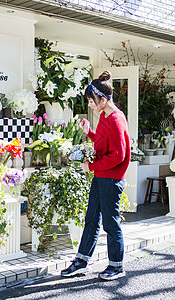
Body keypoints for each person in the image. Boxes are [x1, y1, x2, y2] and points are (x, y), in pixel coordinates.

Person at [61, 70, 131, 281]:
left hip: (111, 179)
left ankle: (117, 266)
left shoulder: (116, 119)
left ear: (102, 99)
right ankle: (82, 261)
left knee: (110, 223)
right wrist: (89, 132)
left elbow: (118, 155)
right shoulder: (104, 116)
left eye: (91, 101)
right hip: (102, 176)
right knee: (91, 219)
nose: (90, 105)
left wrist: (91, 167)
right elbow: (102, 144)